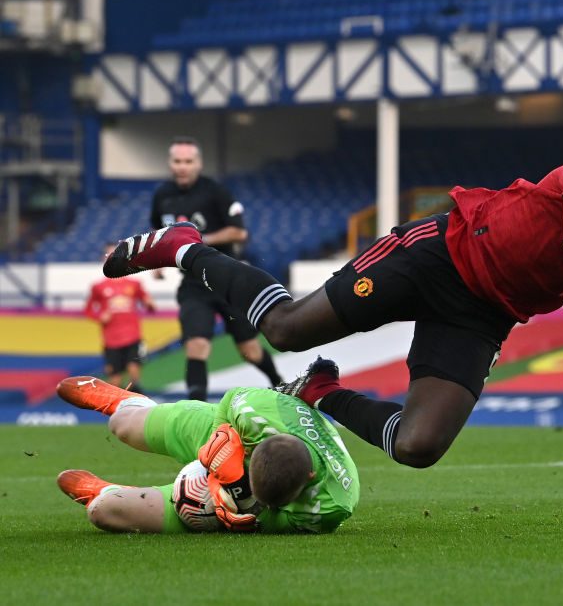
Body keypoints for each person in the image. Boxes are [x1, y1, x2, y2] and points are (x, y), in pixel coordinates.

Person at [105, 111, 563, 471]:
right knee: (287, 327)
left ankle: (318, 393)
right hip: (439, 254)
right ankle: (185, 249)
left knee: (418, 447)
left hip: (484, 313)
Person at [54, 370, 358, 533]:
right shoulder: (259, 414)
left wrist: (248, 514)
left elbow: (275, 523)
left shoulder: (331, 506)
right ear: (260, 444)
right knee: (122, 426)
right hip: (229, 435)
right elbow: (228, 404)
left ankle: (108, 491)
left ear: (311, 476)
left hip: (242, 493)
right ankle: (124, 402)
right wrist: (221, 442)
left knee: (103, 513)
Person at [151, 137, 283, 401]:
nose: (182, 167)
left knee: (250, 350)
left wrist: (198, 241)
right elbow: (159, 232)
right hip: (193, 285)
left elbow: (239, 231)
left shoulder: (215, 191)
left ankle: (281, 385)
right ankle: (196, 409)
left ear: (198, 164)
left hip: (227, 281)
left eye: (188, 161)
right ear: (170, 164)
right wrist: (156, 261)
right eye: (178, 161)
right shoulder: (162, 196)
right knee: (196, 345)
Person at [84, 243, 157, 390]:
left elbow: (149, 306)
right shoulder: (98, 287)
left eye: (115, 255)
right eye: (109, 255)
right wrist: (100, 317)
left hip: (133, 336)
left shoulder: (135, 284)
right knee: (115, 381)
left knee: (133, 372)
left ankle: (137, 400)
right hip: (111, 340)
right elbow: (88, 310)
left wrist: (150, 304)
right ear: (104, 259)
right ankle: (119, 407)